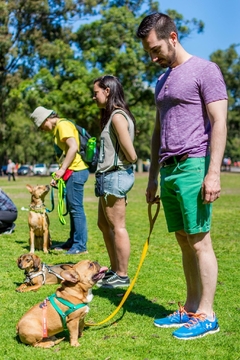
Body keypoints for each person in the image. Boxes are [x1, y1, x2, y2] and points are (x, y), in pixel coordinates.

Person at [137, 13, 228, 340]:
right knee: (182, 239)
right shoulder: (161, 81)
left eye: (156, 48)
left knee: (200, 239)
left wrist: (213, 173)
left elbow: (219, 121)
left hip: (194, 163)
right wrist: (151, 177)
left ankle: (207, 313)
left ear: (172, 37)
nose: (153, 56)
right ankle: (190, 308)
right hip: (168, 168)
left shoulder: (205, 70)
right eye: (149, 51)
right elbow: (158, 130)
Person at [93, 75, 137, 288]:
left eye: (96, 93)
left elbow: (131, 153)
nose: (94, 97)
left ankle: (122, 274)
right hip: (106, 176)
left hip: (114, 175)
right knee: (103, 224)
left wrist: (127, 164)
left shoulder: (118, 117)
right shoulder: (111, 116)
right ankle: (113, 270)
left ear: (107, 91)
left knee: (118, 226)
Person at [30, 106, 89, 255]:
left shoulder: (62, 125)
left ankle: (80, 246)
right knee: (72, 208)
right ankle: (72, 242)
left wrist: (62, 170)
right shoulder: (58, 129)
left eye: (41, 126)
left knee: (76, 209)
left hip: (76, 171)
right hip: (71, 172)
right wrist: (61, 174)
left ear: (46, 119)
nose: (42, 129)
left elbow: (73, 147)